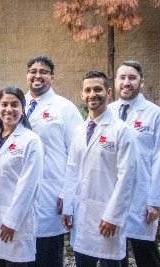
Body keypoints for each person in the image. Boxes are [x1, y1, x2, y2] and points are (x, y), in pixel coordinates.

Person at [62, 70, 137, 267]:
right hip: (82, 215)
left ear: (109, 92)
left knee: (110, 262)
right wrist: (68, 207)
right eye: (87, 90)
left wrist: (113, 216)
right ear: (81, 95)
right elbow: (72, 171)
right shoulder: (79, 130)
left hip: (107, 216)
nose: (92, 94)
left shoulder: (121, 131)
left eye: (97, 89)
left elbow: (127, 178)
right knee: (83, 262)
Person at [109, 60, 160, 267]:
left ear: (141, 82)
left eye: (132, 78)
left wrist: (156, 201)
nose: (126, 82)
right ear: (116, 82)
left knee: (145, 251)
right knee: (115, 252)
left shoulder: (155, 115)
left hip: (142, 197)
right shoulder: (107, 112)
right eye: (122, 77)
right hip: (112, 195)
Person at [0, 86, 44, 267]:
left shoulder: (30, 140)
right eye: (4, 104)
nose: (9, 109)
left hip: (17, 222)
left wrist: (12, 221)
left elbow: (29, 185)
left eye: (15, 105)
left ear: (23, 108)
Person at [24, 56, 83, 267]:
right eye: (33, 71)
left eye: (44, 72)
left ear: (52, 77)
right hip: (20, 194)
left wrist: (67, 192)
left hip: (52, 194)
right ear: (27, 75)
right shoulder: (15, 104)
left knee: (48, 255)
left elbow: (79, 154)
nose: (37, 75)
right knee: (22, 254)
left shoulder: (65, 108)